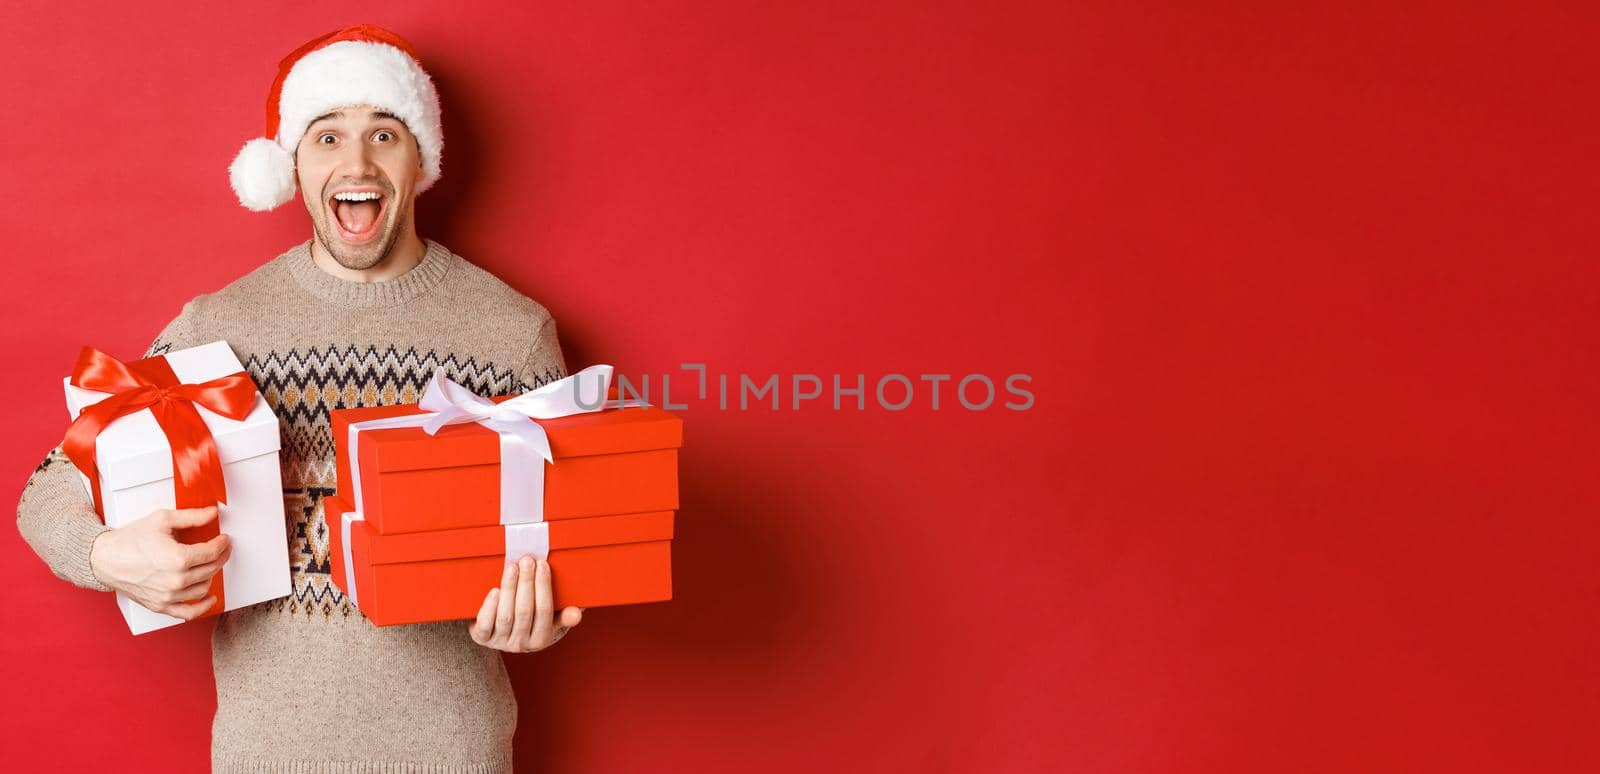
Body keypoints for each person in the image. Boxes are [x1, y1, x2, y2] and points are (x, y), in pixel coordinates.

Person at [15, 24, 581, 772]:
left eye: (384, 134)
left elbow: (576, 543)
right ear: (290, 167)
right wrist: (108, 554)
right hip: (266, 754)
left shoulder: (512, 333)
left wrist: (546, 613)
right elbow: (48, 486)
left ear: (421, 160)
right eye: (326, 137)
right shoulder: (218, 327)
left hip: (452, 752)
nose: (356, 161)